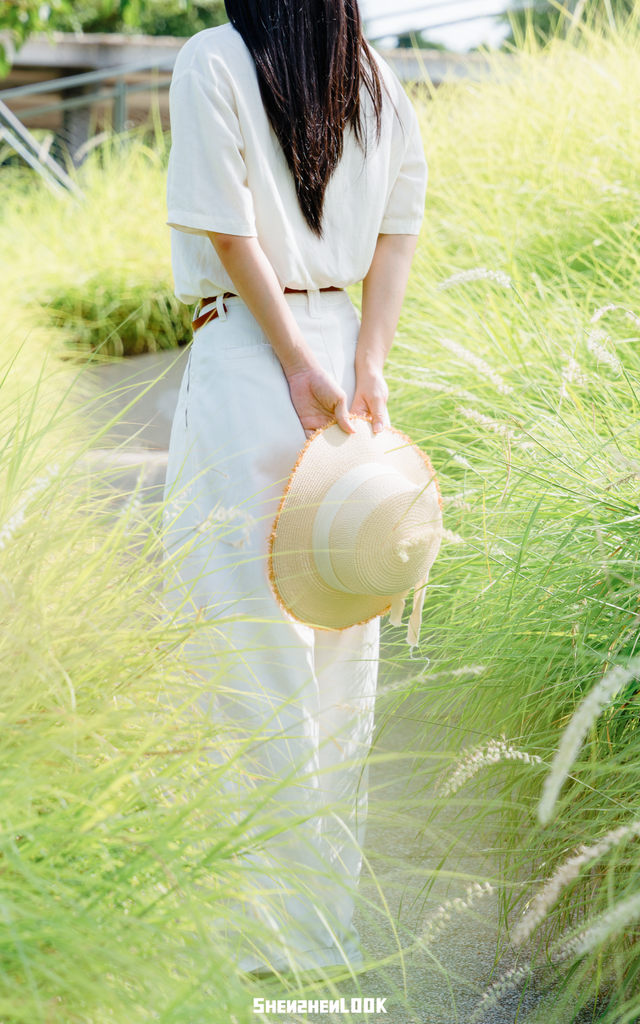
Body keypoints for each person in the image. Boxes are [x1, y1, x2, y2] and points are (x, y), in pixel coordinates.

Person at [164, 0, 427, 977]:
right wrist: (364, 366)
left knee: (247, 669)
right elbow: (396, 232)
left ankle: (266, 955)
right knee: (338, 677)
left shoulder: (212, 61)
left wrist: (289, 365)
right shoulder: (379, 82)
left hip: (250, 362)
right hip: (346, 383)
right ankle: (330, 942)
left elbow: (232, 235)